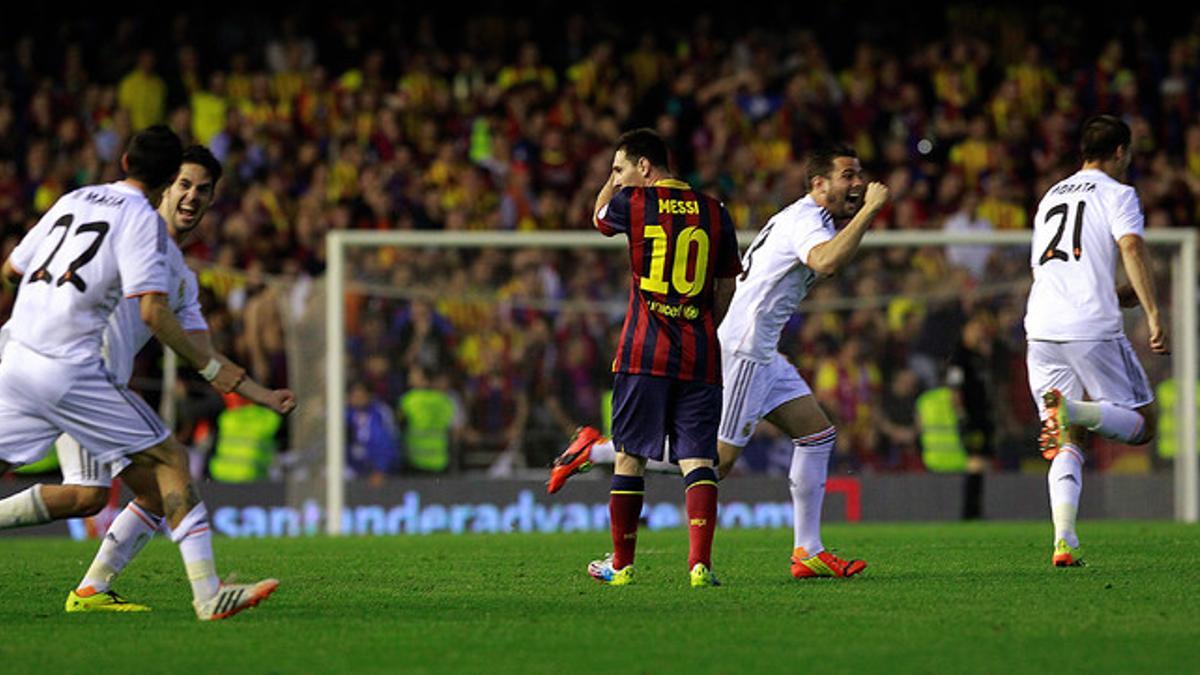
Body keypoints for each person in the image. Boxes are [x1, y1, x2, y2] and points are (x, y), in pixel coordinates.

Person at [551, 143, 888, 580]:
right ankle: (595, 450)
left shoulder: (810, 217)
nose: (859, 183)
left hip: (760, 349)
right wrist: (872, 210)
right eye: (848, 175)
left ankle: (808, 550)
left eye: (860, 174)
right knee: (717, 463)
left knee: (817, 435)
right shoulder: (806, 221)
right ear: (819, 185)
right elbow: (824, 262)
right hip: (746, 347)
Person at [0, 127, 280, 620]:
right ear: (166, 183)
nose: (192, 196)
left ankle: (92, 590)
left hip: (27, 359)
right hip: (78, 377)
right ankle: (207, 594)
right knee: (167, 464)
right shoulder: (138, 227)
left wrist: (261, 393)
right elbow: (153, 314)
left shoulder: (172, 269)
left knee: (111, 494)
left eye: (203, 189)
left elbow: (200, 349)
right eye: (185, 184)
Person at [580, 128, 740, 587]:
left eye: (621, 168)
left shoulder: (633, 203)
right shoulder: (715, 210)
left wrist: (613, 183)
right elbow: (727, 283)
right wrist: (701, 321)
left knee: (630, 457)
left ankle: (622, 564)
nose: (618, 177)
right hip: (700, 353)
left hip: (644, 352)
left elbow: (597, 216)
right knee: (698, 459)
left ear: (644, 168)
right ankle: (699, 566)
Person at [1026, 114, 1168, 567]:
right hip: (1090, 326)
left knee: (1067, 440)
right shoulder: (1118, 193)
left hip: (1042, 327)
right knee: (1143, 423)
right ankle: (1074, 410)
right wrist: (1151, 312)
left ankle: (1064, 540)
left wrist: (1120, 294)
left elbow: (1059, 270)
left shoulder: (1051, 195)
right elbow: (1130, 247)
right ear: (1121, 152)